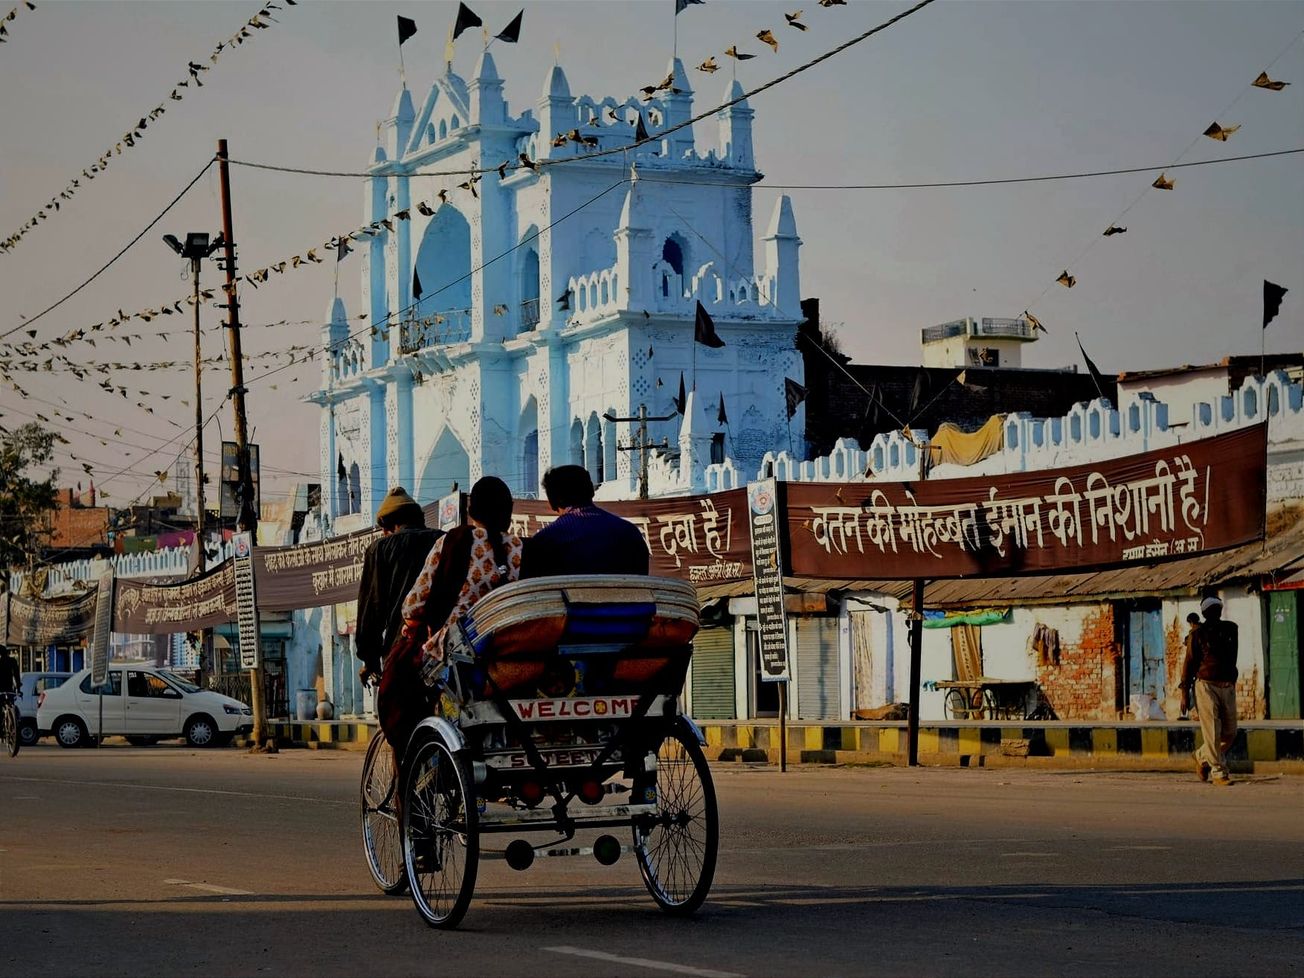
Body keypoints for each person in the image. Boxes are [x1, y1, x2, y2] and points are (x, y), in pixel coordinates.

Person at [378, 476, 523, 765]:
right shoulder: (522, 549)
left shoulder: (453, 542)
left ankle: (418, 758)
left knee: (400, 687)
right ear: (509, 513)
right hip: (512, 649)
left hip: (457, 653)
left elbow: (414, 604)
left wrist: (410, 627)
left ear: (471, 511)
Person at [355, 487, 442, 686]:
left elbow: (371, 609)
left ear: (390, 526)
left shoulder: (380, 549)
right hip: (443, 650)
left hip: (401, 653)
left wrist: (370, 660)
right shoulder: (443, 540)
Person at [519, 464, 650, 579]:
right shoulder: (630, 532)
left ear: (552, 501)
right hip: (629, 606)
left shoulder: (544, 541)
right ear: (591, 491)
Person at [1180, 596, 1239, 786]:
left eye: (1217, 609)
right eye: (1211, 610)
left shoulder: (1231, 629)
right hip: (1205, 685)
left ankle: (1200, 755)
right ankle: (1218, 771)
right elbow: (1189, 664)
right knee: (1212, 731)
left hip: (1227, 685)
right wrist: (1184, 693)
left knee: (1229, 733)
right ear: (1204, 614)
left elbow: (1233, 657)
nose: (1215, 613)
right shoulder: (1197, 636)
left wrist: (1232, 680)